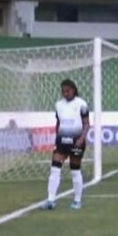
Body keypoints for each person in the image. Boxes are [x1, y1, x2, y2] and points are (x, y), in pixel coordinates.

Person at [45, 79, 89, 210]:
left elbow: (86, 124)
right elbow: (58, 122)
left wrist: (81, 138)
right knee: (54, 169)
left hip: (76, 142)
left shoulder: (81, 104)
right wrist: (56, 136)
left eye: (68, 91)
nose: (65, 93)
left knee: (75, 171)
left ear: (73, 90)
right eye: (63, 91)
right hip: (61, 142)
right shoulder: (59, 105)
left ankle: (77, 200)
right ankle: (50, 200)